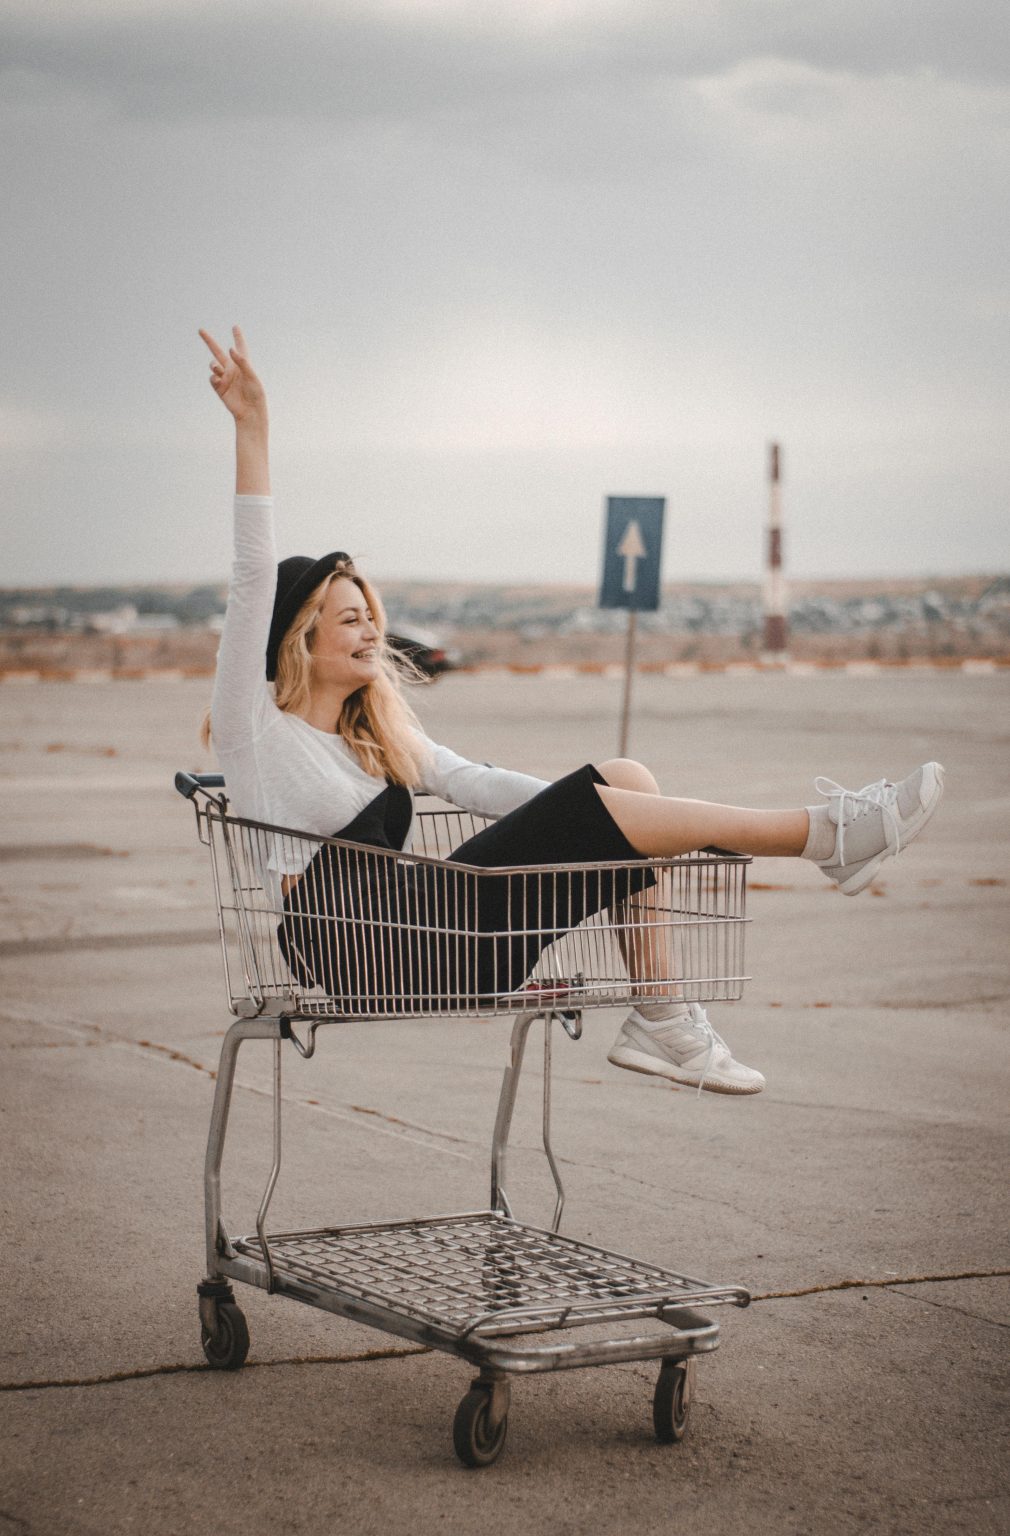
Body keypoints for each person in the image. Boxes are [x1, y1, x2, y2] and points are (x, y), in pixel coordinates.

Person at [199, 326, 945, 1096]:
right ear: (297, 635)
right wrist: (253, 428)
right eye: (349, 617)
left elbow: (477, 784)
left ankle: (662, 1016)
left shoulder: (377, 737)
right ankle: (822, 836)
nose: (371, 630)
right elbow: (253, 572)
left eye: (370, 614)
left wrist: (597, 811)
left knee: (625, 777)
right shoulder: (255, 730)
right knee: (610, 802)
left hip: (433, 928)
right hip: (378, 949)